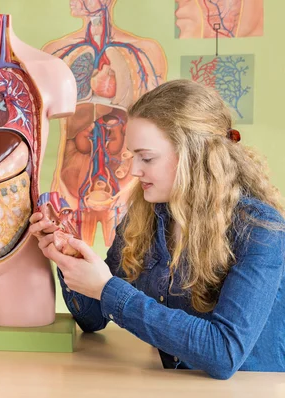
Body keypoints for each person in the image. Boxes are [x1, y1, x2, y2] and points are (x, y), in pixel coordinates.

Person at [30, 79, 285, 379]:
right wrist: (69, 258)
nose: (135, 170)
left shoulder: (260, 230)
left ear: (194, 155)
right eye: (132, 156)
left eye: (147, 157)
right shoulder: (146, 215)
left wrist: (107, 289)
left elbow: (223, 353)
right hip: (173, 386)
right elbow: (93, 318)